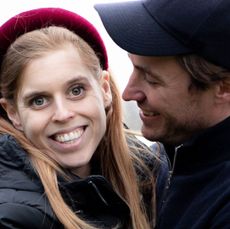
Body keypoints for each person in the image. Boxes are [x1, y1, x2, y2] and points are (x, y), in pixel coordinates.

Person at [0, 7, 166, 229]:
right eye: (39, 100)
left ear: (104, 89)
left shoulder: (151, 171)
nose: (63, 114)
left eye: (76, 90)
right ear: (13, 113)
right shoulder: (12, 218)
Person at [95, 0, 230, 228]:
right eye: (134, 67)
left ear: (223, 88)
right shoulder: (170, 154)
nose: (128, 93)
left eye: (151, 79)